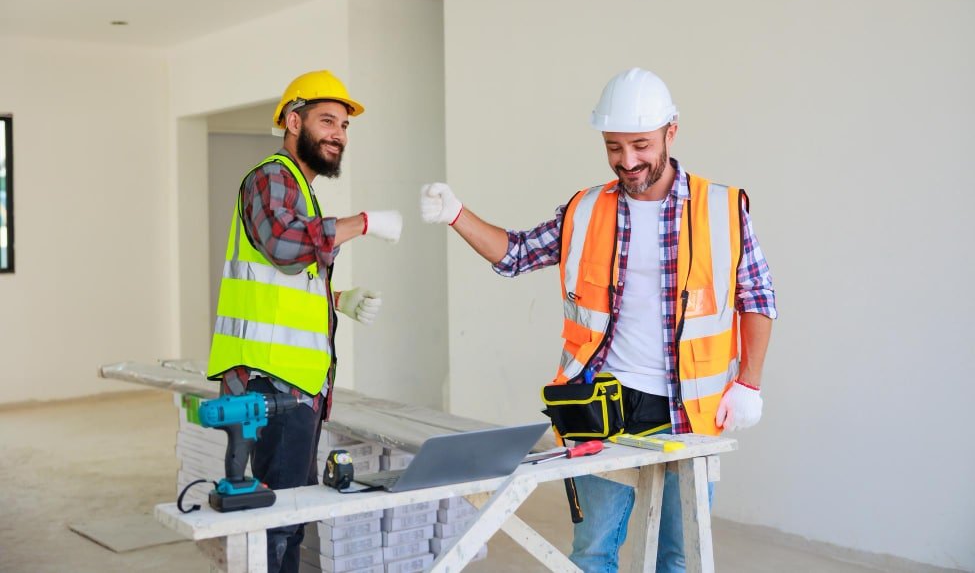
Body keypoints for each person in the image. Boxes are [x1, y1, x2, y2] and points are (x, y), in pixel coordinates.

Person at [420, 67, 776, 572]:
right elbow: (516, 254)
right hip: (606, 407)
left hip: (693, 410)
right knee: (593, 552)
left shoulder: (722, 207)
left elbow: (757, 295)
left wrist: (750, 383)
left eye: (640, 145)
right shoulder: (586, 210)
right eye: (614, 147)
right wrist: (457, 213)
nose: (627, 161)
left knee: (680, 556)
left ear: (671, 132)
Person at [206, 70, 402, 573]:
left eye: (344, 125)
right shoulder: (271, 175)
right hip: (272, 383)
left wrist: (336, 300)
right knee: (279, 524)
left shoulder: (298, 189)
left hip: (292, 384)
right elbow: (284, 244)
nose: (338, 133)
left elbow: (282, 280)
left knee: (289, 519)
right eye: (327, 120)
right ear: (294, 122)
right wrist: (364, 223)